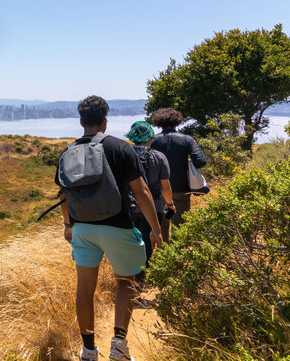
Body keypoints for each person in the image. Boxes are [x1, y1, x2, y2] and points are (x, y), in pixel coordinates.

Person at [57, 96, 162, 361]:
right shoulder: (120, 147)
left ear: (81, 121)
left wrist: (68, 225)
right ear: (105, 120)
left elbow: (63, 195)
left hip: (82, 228)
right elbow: (142, 191)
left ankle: (88, 350)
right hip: (118, 226)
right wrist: (155, 228)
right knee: (125, 282)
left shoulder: (68, 152)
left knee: (85, 289)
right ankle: (119, 346)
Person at [125, 120, 174, 282]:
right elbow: (165, 185)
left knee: (129, 245)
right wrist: (170, 203)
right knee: (147, 245)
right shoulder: (159, 157)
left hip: (128, 208)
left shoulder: (124, 155)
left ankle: (130, 280)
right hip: (154, 207)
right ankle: (140, 282)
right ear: (151, 137)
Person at [149, 108, 207, 241]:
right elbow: (201, 161)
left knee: (162, 222)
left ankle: (163, 252)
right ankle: (177, 255)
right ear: (177, 122)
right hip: (181, 188)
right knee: (180, 225)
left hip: (158, 189)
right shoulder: (187, 140)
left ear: (159, 122)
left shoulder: (152, 141)